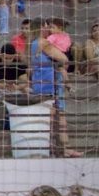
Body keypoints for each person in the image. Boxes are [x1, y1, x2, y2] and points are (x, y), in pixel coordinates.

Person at [31, 17, 80, 157]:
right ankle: (53, 149)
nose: (48, 28)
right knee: (54, 119)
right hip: (49, 84)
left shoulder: (33, 43)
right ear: (41, 27)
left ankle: (63, 149)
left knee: (58, 118)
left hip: (46, 83)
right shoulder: (43, 42)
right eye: (47, 26)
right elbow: (64, 59)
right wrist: (62, 64)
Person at [82, 22, 99, 98]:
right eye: (94, 31)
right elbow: (90, 59)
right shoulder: (89, 42)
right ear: (91, 33)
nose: (97, 32)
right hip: (93, 66)